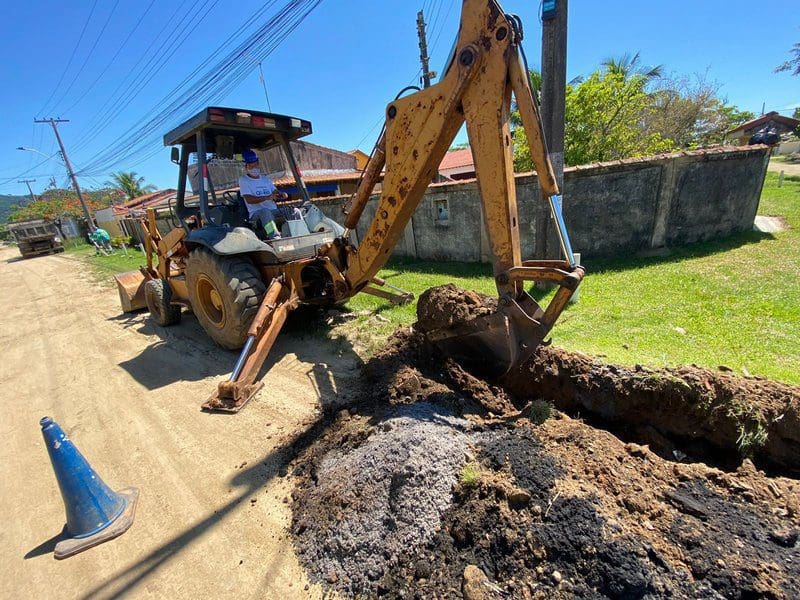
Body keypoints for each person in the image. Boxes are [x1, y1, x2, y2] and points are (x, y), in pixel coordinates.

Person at [238, 149, 298, 239]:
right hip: (256, 214)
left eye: (256, 165)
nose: (254, 168)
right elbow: (249, 199)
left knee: (294, 210)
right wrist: (267, 197)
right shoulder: (244, 180)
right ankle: (275, 237)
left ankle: (298, 234)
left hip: (273, 211)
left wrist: (281, 194)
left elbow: (274, 191)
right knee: (265, 212)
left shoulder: (265, 179)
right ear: (246, 167)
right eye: (251, 166)